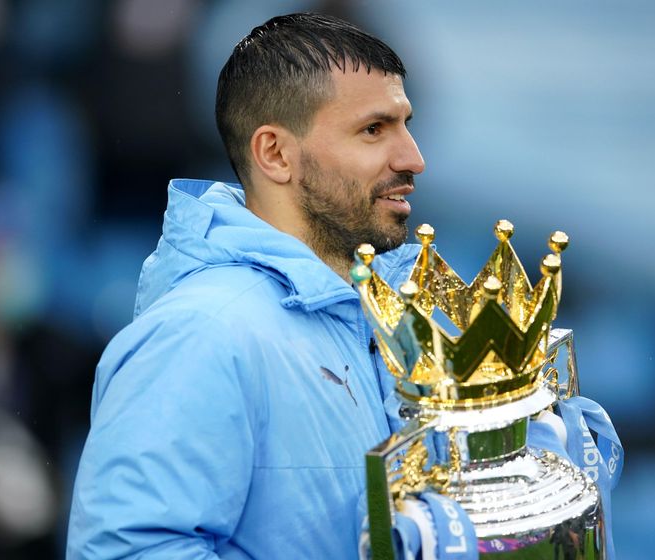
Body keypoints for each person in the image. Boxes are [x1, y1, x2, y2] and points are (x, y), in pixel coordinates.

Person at [67, 12, 426, 559]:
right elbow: (129, 550)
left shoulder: (382, 317)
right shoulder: (200, 333)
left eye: (405, 124)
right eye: (373, 130)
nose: (413, 158)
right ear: (275, 154)